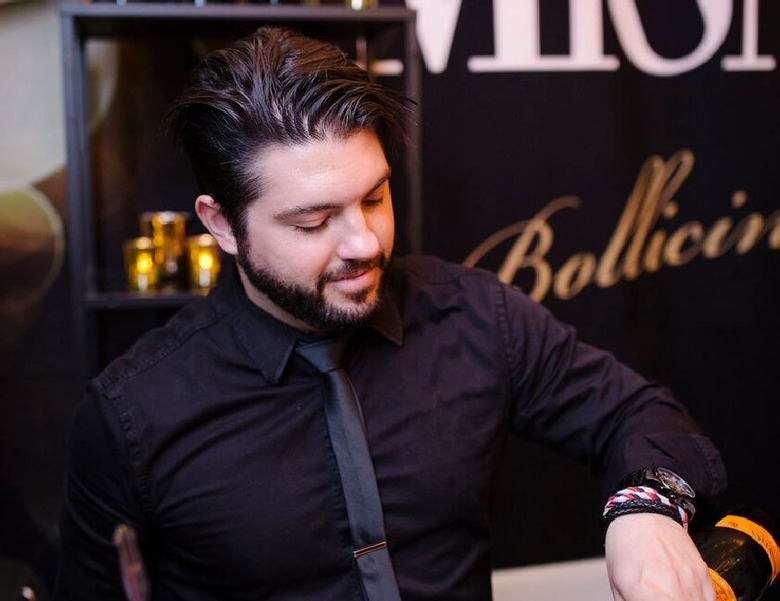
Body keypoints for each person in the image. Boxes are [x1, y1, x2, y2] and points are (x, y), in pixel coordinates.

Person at [54, 26, 727, 600]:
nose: (365, 242)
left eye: (374, 197)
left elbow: (635, 414)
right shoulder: (132, 417)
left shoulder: (476, 315)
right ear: (222, 224)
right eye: (314, 221)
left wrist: (647, 508)